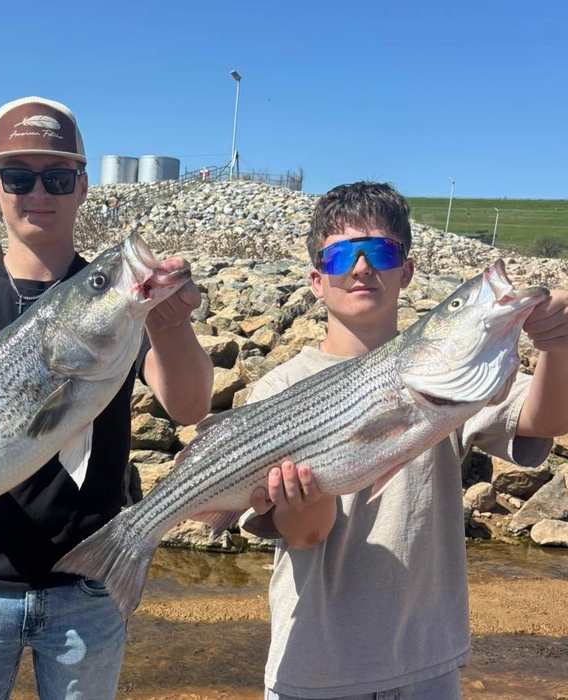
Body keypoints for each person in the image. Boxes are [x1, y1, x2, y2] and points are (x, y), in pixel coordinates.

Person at [0, 96, 213, 700]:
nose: (38, 191)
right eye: (19, 176)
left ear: (83, 186)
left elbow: (190, 408)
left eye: (58, 176)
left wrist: (170, 323)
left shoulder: (121, 305)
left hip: (89, 586)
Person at [240, 181, 568, 700]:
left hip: (426, 662)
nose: (362, 266)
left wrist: (559, 345)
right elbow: (305, 537)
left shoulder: (454, 377)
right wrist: (303, 498)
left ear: (407, 271)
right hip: (314, 665)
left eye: (381, 250)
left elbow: (546, 418)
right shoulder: (278, 387)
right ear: (316, 280)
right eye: (342, 253)